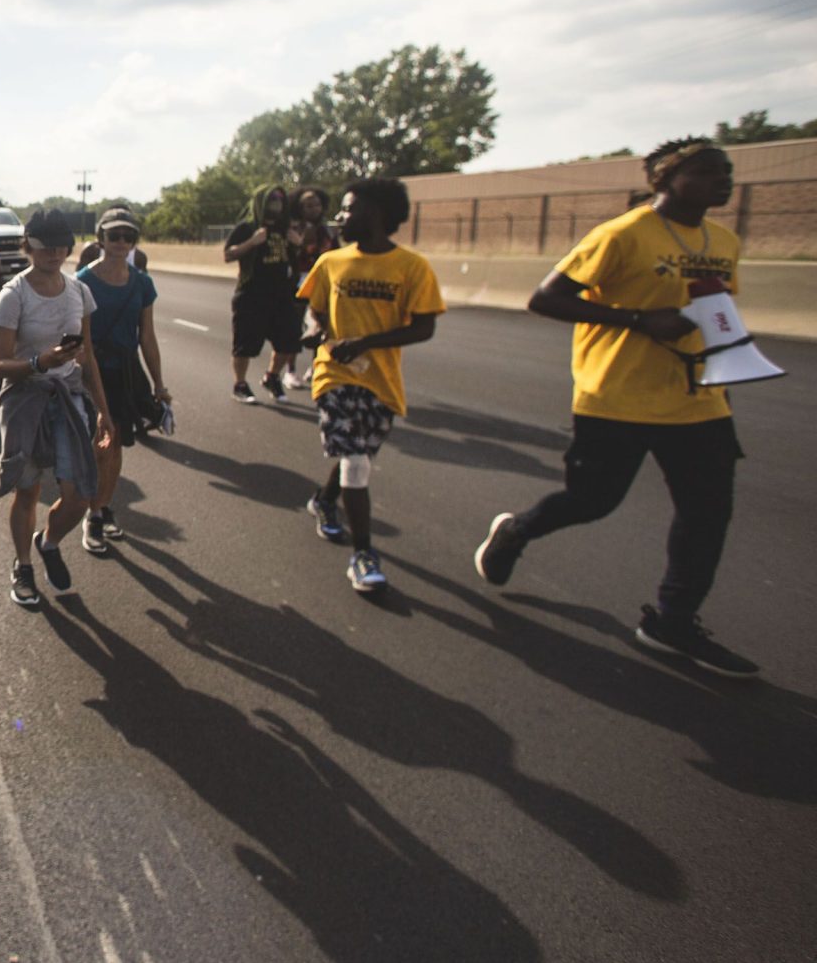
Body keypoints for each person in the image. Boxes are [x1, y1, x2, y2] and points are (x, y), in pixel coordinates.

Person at [472, 139, 759, 677]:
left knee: (708, 511)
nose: (723, 179)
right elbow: (546, 299)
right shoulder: (622, 234)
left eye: (727, 171)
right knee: (592, 501)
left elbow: (717, 309)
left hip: (698, 401)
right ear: (665, 179)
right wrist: (638, 321)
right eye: (706, 171)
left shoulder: (723, 239)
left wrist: (728, 370)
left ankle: (672, 621)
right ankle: (516, 531)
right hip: (616, 397)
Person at [299, 178, 444, 594]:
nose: (339, 217)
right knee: (357, 460)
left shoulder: (413, 268)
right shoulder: (330, 263)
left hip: (381, 382)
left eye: (347, 209)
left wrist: (365, 343)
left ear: (376, 214)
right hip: (334, 374)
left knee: (354, 453)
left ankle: (325, 500)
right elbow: (316, 313)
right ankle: (363, 556)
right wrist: (315, 332)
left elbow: (424, 327)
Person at [0, 209, 116, 607]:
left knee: (80, 494)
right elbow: (1, 364)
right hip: (26, 399)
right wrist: (39, 362)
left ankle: (48, 541)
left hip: (68, 396)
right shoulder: (14, 295)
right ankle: (23, 566)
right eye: (45, 248)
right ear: (28, 246)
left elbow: (88, 355)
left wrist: (104, 411)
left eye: (62, 247)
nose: (55, 255)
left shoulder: (79, 291)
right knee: (27, 491)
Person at [75, 207, 170, 553]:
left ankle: (100, 509)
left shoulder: (142, 283)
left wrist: (159, 384)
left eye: (127, 236)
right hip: (90, 371)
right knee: (98, 442)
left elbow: (147, 336)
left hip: (125, 373)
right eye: (113, 235)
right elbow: (74, 337)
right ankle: (92, 509)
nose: (120, 242)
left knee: (114, 444)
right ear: (100, 238)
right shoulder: (82, 281)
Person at [223, 184, 301, 404]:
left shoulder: (286, 229)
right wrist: (252, 242)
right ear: (262, 203)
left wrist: (298, 244)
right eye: (272, 200)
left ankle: (272, 377)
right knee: (244, 344)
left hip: (282, 296)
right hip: (251, 295)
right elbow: (228, 255)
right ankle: (240, 384)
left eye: (280, 200)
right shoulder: (247, 228)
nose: (277, 204)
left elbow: (296, 262)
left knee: (289, 340)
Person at [283, 187, 336, 390]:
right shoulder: (294, 229)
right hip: (298, 283)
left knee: (321, 327)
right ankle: (290, 371)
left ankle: (315, 368)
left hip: (323, 283)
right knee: (294, 327)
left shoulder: (327, 229)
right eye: (308, 205)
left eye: (317, 204)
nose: (314, 209)